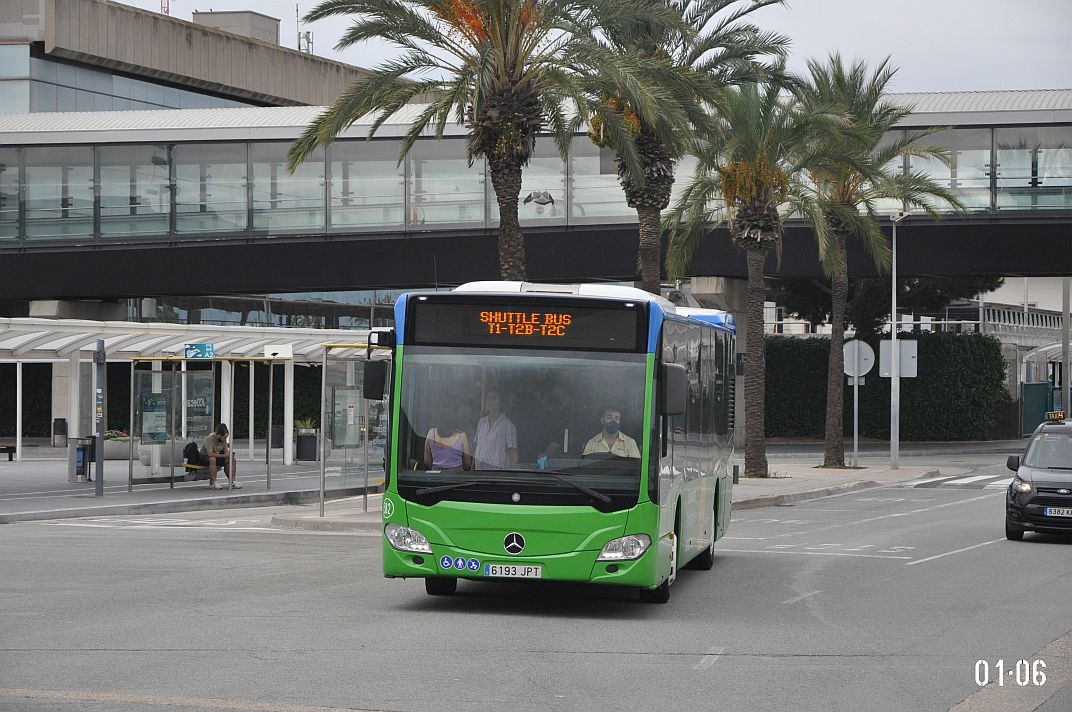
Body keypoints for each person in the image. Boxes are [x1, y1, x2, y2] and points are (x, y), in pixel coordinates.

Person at [473, 388, 518, 469]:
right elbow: (476, 446)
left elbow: (513, 454)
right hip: (478, 473)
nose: (490, 401)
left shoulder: (508, 425)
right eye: (488, 398)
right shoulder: (481, 422)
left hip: (496, 475)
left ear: (501, 402)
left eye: (494, 398)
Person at [424, 407, 473, 471]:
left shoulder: (431, 433)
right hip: (456, 477)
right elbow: (467, 463)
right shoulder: (462, 436)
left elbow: (427, 461)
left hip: (436, 477)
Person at [201, 423, 241, 490]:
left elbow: (225, 451)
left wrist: (228, 455)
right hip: (204, 457)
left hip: (217, 456)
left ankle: (232, 481)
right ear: (219, 434)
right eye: (224, 437)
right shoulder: (210, 438)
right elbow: (210, 453)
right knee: (212, 459)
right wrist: (223, 455)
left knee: (232, 460)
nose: (225, 439)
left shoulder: (223, 440)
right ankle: (215, 482)